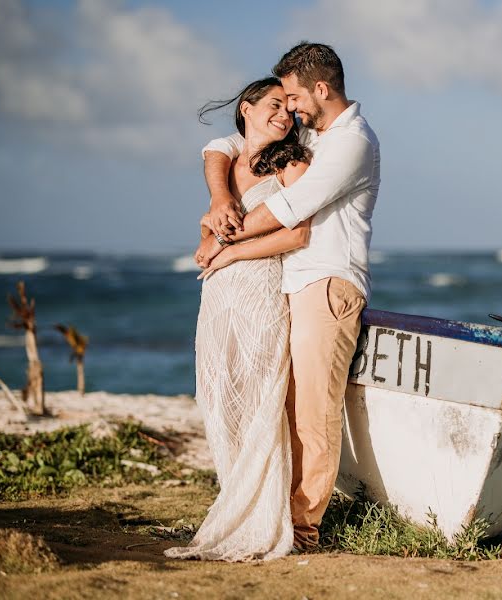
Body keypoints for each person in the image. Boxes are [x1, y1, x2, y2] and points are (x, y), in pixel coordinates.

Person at [196, 41, 380, 550]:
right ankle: (273, 508)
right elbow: (226, 145)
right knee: (286, 403)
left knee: (313, 411)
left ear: (321, 89)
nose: (291, 108)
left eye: (295, 97)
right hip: (294, 283)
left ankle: (303, 529)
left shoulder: (351, 143)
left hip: (327, 281)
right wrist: (219, 197)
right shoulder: (319, 138)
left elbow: (294, 208)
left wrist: (223, 242)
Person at [164, 77, 312, 562]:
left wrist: (229, 253)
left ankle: (263, 517)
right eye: (274, 106)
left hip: (262, 293)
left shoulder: (294, 162)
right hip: (219, 299)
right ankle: (235, 499)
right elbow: (202, 246)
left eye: (289, 111)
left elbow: (297, 236)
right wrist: (212, 238)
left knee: (260, 401)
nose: (284, 117)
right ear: (246, 108)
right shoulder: (224, 168)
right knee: (219, 396)